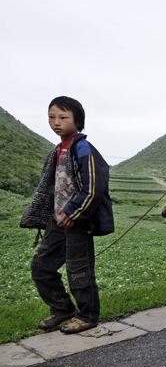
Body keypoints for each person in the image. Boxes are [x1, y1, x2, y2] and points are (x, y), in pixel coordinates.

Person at [20, 96, 114, 334]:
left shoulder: (83, 148)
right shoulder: (57, 150)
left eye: (63, 117)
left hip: (78, 222)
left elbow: (93, 187)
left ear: (77, 120)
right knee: (41, 266)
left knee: (79, 270)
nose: (56, 122)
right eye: (51, 117)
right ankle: (62, 309)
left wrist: (73, 212)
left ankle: (87, 316)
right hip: (57, 221)